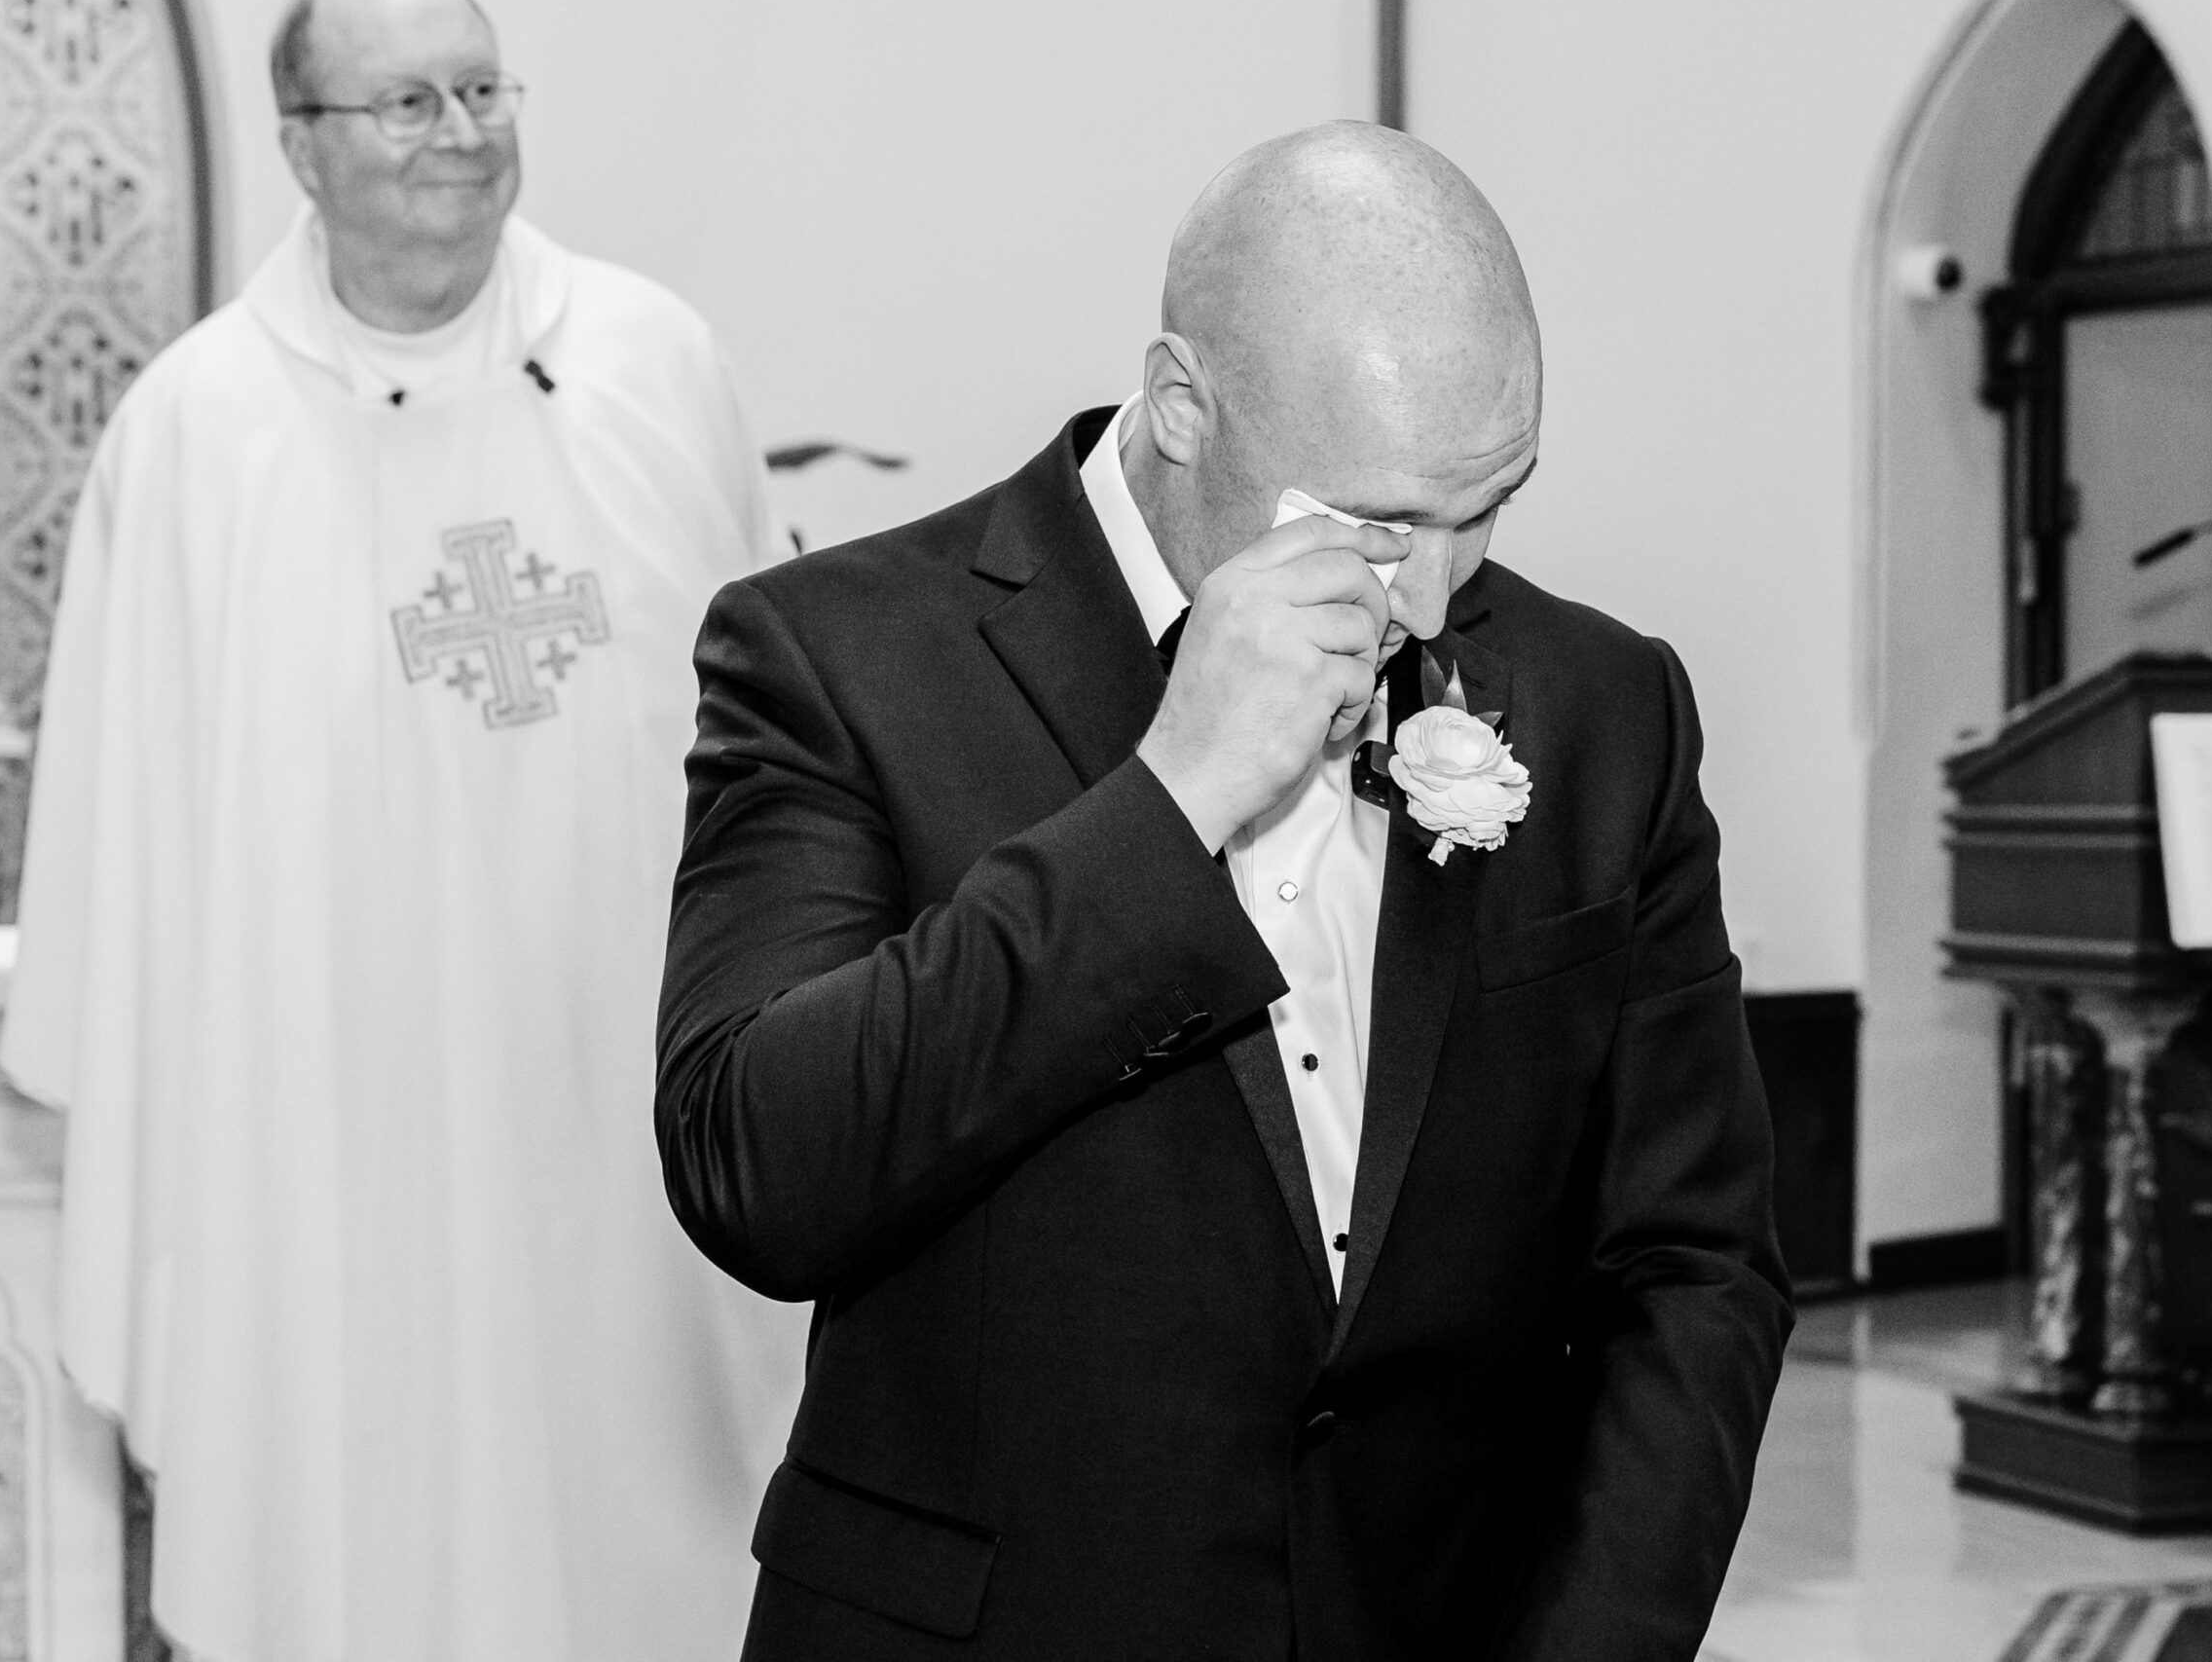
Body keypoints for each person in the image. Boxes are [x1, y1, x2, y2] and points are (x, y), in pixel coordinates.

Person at [658, 121, 1790, 1660]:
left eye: (1492, 503)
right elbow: (759, 1174)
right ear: (1184, 405)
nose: (1437, 595)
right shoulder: (841, 658)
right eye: (1382, 522)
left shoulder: (1605, 703)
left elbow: (1694, 1263)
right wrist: (1171, 798)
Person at [2, 0, 801, 1662]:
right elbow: (126, 852)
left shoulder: (656, 364)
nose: (462, 134)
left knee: (658, 1539)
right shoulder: (195, 436)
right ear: (300, 144)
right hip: (324, 1151)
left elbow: (782, 772)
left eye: (484, 90)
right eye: (409, 101)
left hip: (626, 1127)